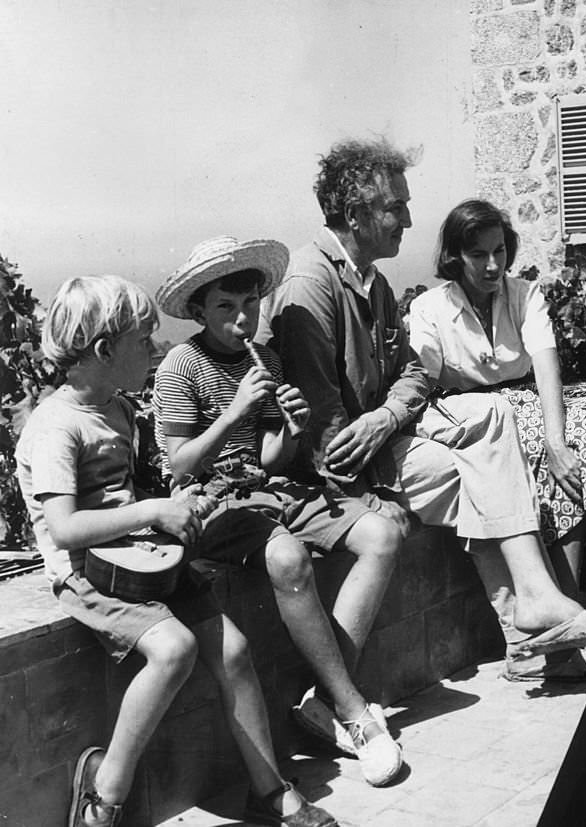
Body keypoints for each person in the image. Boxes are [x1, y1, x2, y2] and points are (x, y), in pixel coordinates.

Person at [256, 137, 586, 671]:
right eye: (395, 206)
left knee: (490, 439)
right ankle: (527, 625)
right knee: (481, 470)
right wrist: (363, 499)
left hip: (381, 441)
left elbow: (411, 372)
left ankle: (529, 618)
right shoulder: (312, 286)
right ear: (356, 215)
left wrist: (386, 415)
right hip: (341, 474)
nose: (407, 220)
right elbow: (325, 430)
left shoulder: (371, 281)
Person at [15, 276, 338, 827]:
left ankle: (269, 792)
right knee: (174, 650)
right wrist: (151, 513)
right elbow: (64, 528)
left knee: (232, 650)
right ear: (104, 350)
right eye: (144, 340)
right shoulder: (56, 427)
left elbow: (139, 491)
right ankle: (104, 792)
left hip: (141, 561)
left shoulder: (117, 409)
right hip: (88, 572)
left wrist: (175, 504)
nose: (152, 349)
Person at [153, 236, 403, 787]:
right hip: (211, 501)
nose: (241, 321)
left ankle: (329, 698)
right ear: (198, 309)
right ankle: (353, 711)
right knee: (288, 559)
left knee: (382, 536)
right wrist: (234, 410)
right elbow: (179, 465)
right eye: (224, 308)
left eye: (249, 307)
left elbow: (270, 458)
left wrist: (289, 427)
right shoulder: (180, 365)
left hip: (270, 490)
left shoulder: (264, 358)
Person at [407, 199, 586, 621]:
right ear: (455, 257)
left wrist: (558, 442)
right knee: (544, 446)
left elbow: (545, 363)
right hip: (474, 414)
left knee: (584, 429)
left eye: (499, 251)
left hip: (526, 400)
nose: (491, 265)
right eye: (478, 254)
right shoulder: (431, 308)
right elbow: (420, 381)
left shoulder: (523, 294)